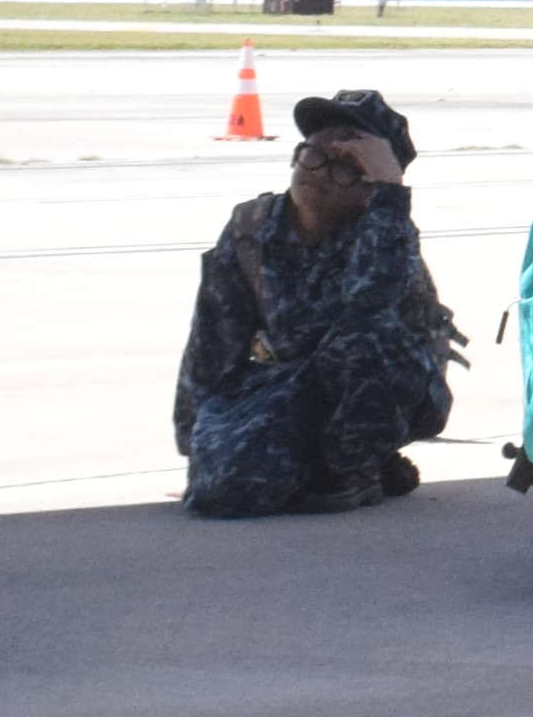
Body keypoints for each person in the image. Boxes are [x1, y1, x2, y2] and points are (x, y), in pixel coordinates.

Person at [172, 91, 463, 515]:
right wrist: (199, 447)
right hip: (294, 385)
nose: (320, 173)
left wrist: (390, 198)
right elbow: (212, 343)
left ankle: (356, 468)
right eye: (313, 155)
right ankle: (331, 464)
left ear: (371, 187)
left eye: (345, 167)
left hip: (387, 388)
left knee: (363, 333)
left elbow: (371, 304)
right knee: (228, 490)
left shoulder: (385, 233)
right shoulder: (251, 229)